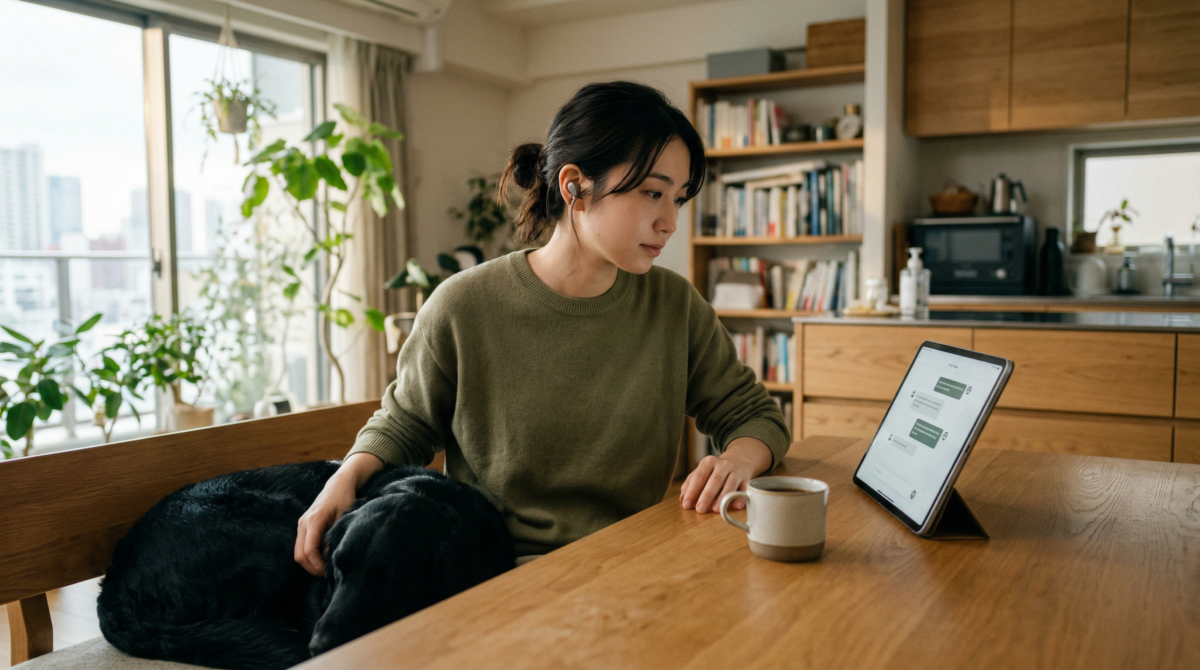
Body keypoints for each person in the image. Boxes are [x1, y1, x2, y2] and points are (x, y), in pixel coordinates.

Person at [294, 80, 790, 575]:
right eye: (652, 193)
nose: (669, 221)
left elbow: (754, 416)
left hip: (636, 561)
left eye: (678, 199)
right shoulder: (463, 304)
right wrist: (342, 479)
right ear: (574, 185)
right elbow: (406, 424)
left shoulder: (674, 305)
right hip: (497, 572)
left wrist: (739, 461)